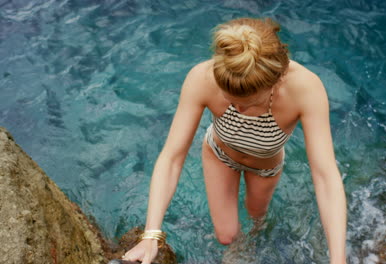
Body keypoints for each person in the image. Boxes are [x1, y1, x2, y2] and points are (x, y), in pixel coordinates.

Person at [122, 17, 347, 264]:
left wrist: (338, 260)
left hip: (265, 167)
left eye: (248, 103)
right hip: (220, 156)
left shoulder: (305, 89)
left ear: (277, 80)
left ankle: (254, 238)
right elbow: (172, 157)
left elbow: (325, 175)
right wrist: (151, 235)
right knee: (227, 236)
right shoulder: (202, 77)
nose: (238, 109)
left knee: (256, 219)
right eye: (230, 101)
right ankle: (238, 247)